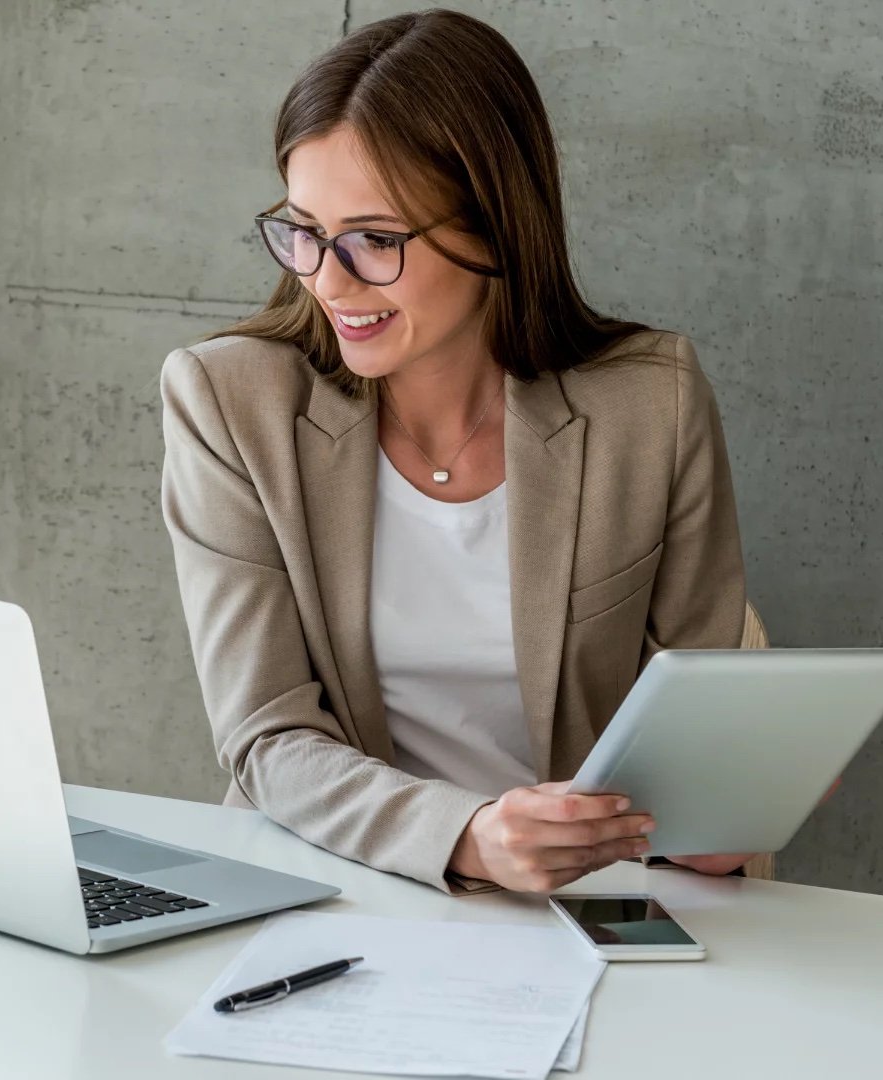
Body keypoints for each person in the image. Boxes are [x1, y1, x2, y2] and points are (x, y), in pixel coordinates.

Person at [159, 9, 761, 895]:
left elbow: (693, 732)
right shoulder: (230, 402)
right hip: (332, 884)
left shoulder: (651, 403)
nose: (328, 280)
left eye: (374, 240)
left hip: (584, 905)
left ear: (494, 228)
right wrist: (468, 836)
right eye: (303, 230)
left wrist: (719, 813)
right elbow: (266, 736)